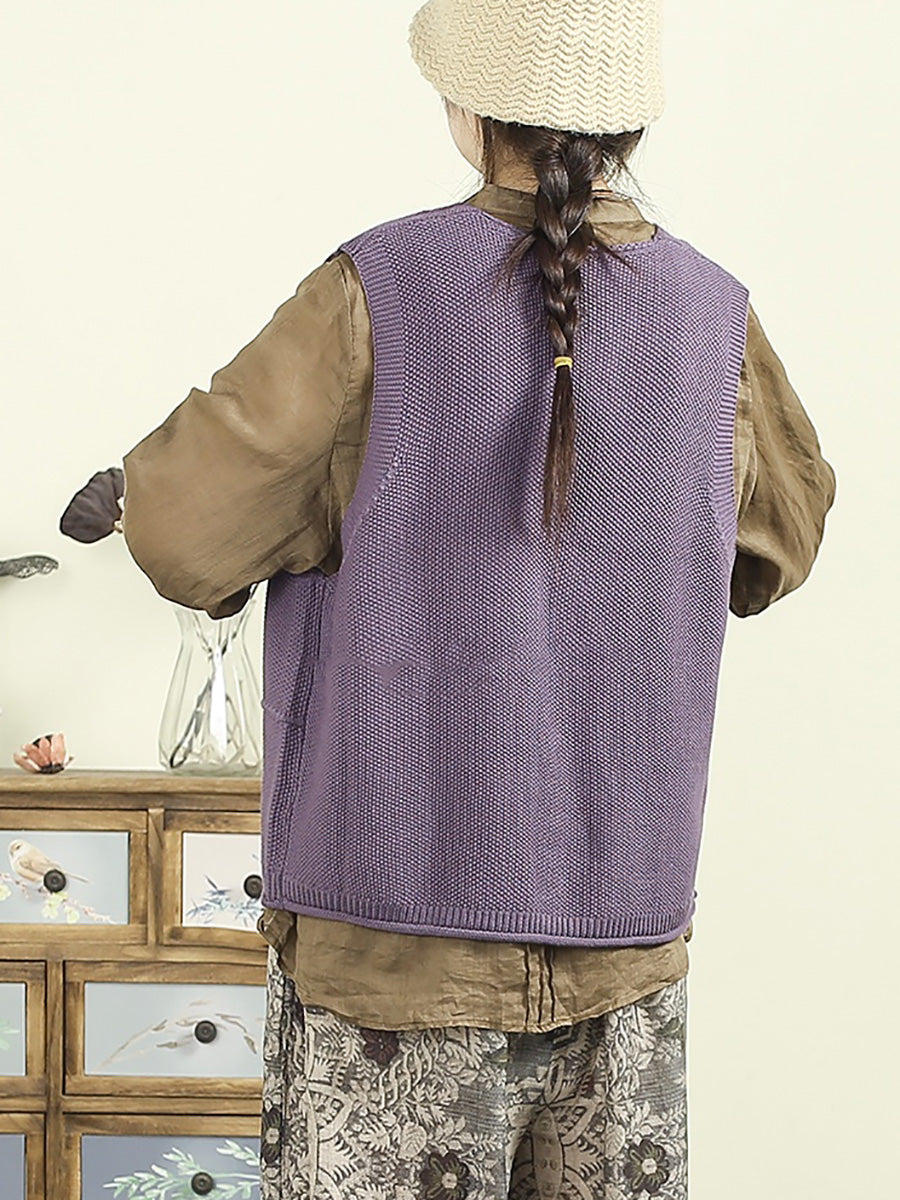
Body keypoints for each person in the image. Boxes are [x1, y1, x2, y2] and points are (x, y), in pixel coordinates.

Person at [120, 0, 838, 1195]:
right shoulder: (715, 315)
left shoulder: (375, 288)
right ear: (632, 122)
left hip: (388, 949)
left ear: (467, 107)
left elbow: (182, 535)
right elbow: (780, 543)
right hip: (625, 944)